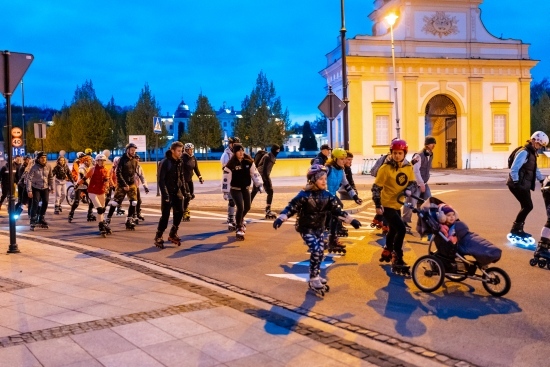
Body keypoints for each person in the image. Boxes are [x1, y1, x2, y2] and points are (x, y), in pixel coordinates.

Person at [273, 165, 361, 295]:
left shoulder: (327, 196)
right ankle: (313, 278)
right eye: (321, 179)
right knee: (316, 249)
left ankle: (315, 275)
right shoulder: (304, 195)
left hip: (319, 229)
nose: (324, 181)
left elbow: (337, 211)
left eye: (325, 178)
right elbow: (292, 207)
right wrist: (281, 217)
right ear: (312, 180)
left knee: (320, 253)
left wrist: (351, 220)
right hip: (306, 228)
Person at [371, 139, 417, 275]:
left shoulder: (408, 168)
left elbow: (413, 182)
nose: (397, 155)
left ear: (404, 154)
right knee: (401, 229)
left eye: (400, 153)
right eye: (395, 153)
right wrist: (378, 205)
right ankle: (397, 256)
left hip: (398, 203)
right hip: (386, 204)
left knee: (393, 229)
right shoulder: (385, 168)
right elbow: (376, 188)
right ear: (391, 153)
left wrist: (409, 189)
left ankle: (387, 249)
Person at [507, 131, 548, 240]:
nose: (539, 147)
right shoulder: (524, 152)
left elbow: (535, 169)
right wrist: (516, 182)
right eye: (539, 144)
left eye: (541, 146)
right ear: (533, 140)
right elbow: (514, 168)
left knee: (526, 206)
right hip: (517, 184)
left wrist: (542, 180)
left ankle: (518, 229)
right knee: (528, 206)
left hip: (523, 184)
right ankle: (516, 230)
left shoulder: (532, 153)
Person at [436, 204, 502, 268]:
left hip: (466, 235)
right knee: (476, 247)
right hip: (460, 242)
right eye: (448, 215)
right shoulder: (445, 228)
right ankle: (488, 256)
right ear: (442, 217)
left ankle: (488, 256)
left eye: (453, 214)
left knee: (478, 243)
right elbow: (449, 238)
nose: (452, 217)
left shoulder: (456, 223)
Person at [221, 143, 263, 240]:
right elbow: (226, 179)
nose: (241, 152)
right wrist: (225, 192)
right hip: (235, 189)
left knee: (247, 207)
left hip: (245, 188)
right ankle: (239, 227)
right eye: (238, 151)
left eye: (242, 150)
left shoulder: (248, 162)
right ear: (234, 153)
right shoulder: (230, 165)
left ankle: (239, 219)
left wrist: (259, 185)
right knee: (240, 207)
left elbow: (255, 174)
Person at [325, 148, 362, 253]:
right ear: (335, 159)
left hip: (332, 195)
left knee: (336, 214)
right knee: (335, 211)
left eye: (344, 158)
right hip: (324, 196)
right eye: (342, 159)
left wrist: (355, 197)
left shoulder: (341, 170)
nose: (344, 161)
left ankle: (332, 239)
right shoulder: (328, 169)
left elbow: (347, 185)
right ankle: (328, 238)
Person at [155, 141, 187, 248]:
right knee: (165, 215)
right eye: (178, 151)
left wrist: (185, 191)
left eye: (181, 151)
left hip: (177, 191)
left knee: (180, 211)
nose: (180, 153)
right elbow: (161, 180)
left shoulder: (180, 162)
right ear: (172, 151)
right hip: (167, 192)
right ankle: (158, 235)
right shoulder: (165, 162)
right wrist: (165, 194)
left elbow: (181, 177)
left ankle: (173, 232)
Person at [402, 136, 436, 231]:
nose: (433, 146)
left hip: (424, 183)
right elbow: (416, 170)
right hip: (415, 184)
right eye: (432, 143)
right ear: (427, 144)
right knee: (410, 203)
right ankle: (404, 221)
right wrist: (421, 183)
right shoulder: (418, 155)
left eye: (434, 144)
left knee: (428, 201)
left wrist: (424, 182)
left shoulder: (431, 154)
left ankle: (425, 222)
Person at [106, 143, 139, 230]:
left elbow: (134, 173)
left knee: (134, 202)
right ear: (127, 150)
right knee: (115, 203)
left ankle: (128, 220)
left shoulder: (134, 160)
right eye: (132, 150)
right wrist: (124, 184)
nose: (133, 152)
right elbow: (118, 173)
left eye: (134, 150)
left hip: (131, 184)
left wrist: (134, 183)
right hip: (122, 185)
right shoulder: (122, 159)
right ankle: (107, 219)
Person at [83, 154, 112, 236]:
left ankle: (102, 223)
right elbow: (84, 178)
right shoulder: (92, 169)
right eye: (100, 161)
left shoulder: (106, 170)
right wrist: (77, 185)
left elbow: (106, 179)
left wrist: (107, 186)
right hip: (92, 191)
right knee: (99, 209)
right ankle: (101, 226)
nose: (101, 162)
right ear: (97, 161)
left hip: (101, 192)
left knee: (102, 210)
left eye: (103, 161)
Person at [251, 144, 280, 219]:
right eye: (277, 150)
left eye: (278, 150)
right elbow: (264, 170)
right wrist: (266, 180)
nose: (277, 152)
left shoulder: (271, 156)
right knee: (268, 191)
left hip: (262, 176)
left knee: (255, 192)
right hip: (261, 176)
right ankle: (267, 210)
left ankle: (247, 206)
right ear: (273, 150)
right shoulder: (267, 157)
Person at [26, 151, 54, 230]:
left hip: (45, 187)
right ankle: (33, 219)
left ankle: (41, 217)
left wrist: (52, 187)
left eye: (45, 158)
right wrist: (29, 190)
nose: (44, 159)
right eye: (42, 158)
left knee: (45, 202)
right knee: (35, 203)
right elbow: (29, 179)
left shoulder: (48, 166)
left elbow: (50, 177)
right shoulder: (34, 167)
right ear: (38, 159)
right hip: (36, 187)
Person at [220, 137, 240, 229]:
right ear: (230, 144)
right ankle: (230, 218)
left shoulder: (240, 153)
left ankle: (239, 218)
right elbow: (225, 172)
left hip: (239, 180)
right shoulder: (226, 155)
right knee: (232, 200)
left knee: (240, 201)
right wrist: (225, 190)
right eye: (234, 144)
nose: (236, 145)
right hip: (231, 180)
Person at [68, 154, 95, 223]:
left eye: (90, 161)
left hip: (87, 186)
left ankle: (90, 213)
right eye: (88, 161)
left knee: (92, 200)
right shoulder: (81, 168)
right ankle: (71, 213)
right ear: (85, 161)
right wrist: (88, 184)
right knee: (76, 202)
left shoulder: (89, 167)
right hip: (79, 186)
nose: (89, 162)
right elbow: (83, 178)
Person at [182, 143, 203, 222]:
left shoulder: (193, 157)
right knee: (187, 196)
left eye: (192, 149)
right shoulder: (182, 158)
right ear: (186, 150)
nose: (191, 151)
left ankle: (184, 206)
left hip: (190, 179)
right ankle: (184, 210)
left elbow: (196, 168)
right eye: (189, 149)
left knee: (191, 195)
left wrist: (200, 177)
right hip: (183, 180)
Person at [134, 155, 149, 222]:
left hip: (136, 186)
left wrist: (145, 186)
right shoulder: (129, 167)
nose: (137, 160)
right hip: (130, 186)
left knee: (139, 201)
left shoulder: (139, 167)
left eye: (138, 159)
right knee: (133, 201)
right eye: (136, 159)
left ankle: (137, 213)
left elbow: (142, 177)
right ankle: (133, 215)